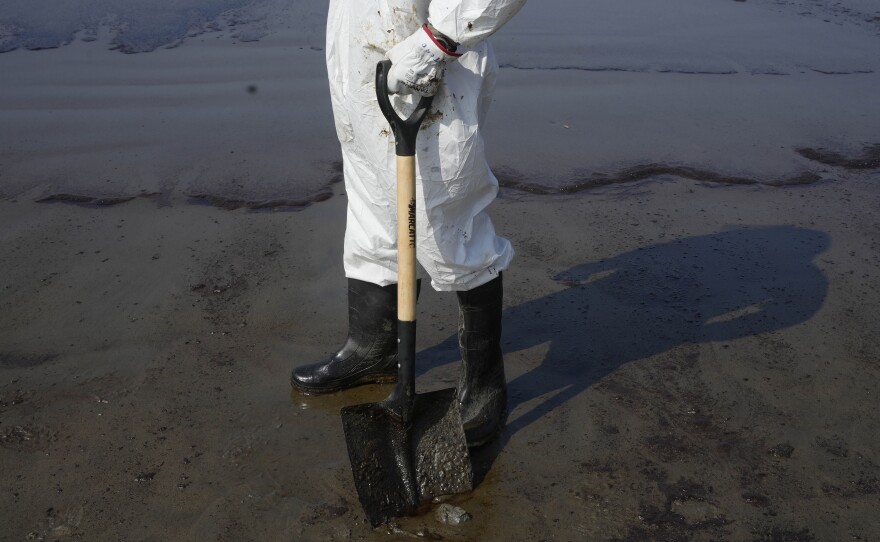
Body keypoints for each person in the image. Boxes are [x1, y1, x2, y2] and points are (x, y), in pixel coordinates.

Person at [291, 0, 527, 448]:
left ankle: (484, 382)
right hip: (360, 45)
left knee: (445, 220)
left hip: (430, 56)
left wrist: (436, 42)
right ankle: (372, 349)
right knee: (373, 205)